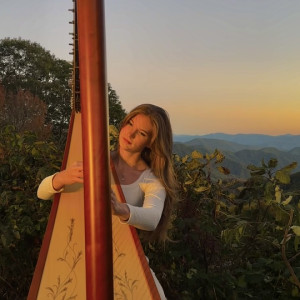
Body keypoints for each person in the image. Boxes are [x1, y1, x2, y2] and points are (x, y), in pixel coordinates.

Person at [37, 104, 178, 299]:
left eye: (142, 133)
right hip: (76, 255)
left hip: (124, 259)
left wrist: (120, 208)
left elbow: (152, 218)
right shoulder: (92, 160)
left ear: (151, 142)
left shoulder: (150, 179)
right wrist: (62, 178)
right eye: (130, 123)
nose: (130, 133)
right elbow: (41, 192)